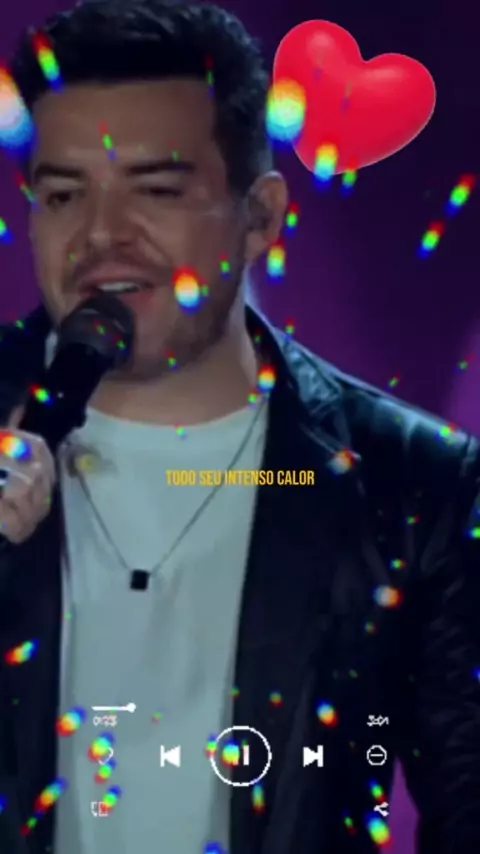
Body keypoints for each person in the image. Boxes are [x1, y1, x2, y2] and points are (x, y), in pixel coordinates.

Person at [0, 1, 479, 853]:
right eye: (65, 194)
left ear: (260, 217)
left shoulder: (409, 478)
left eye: (156, 190)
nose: (101, 235)